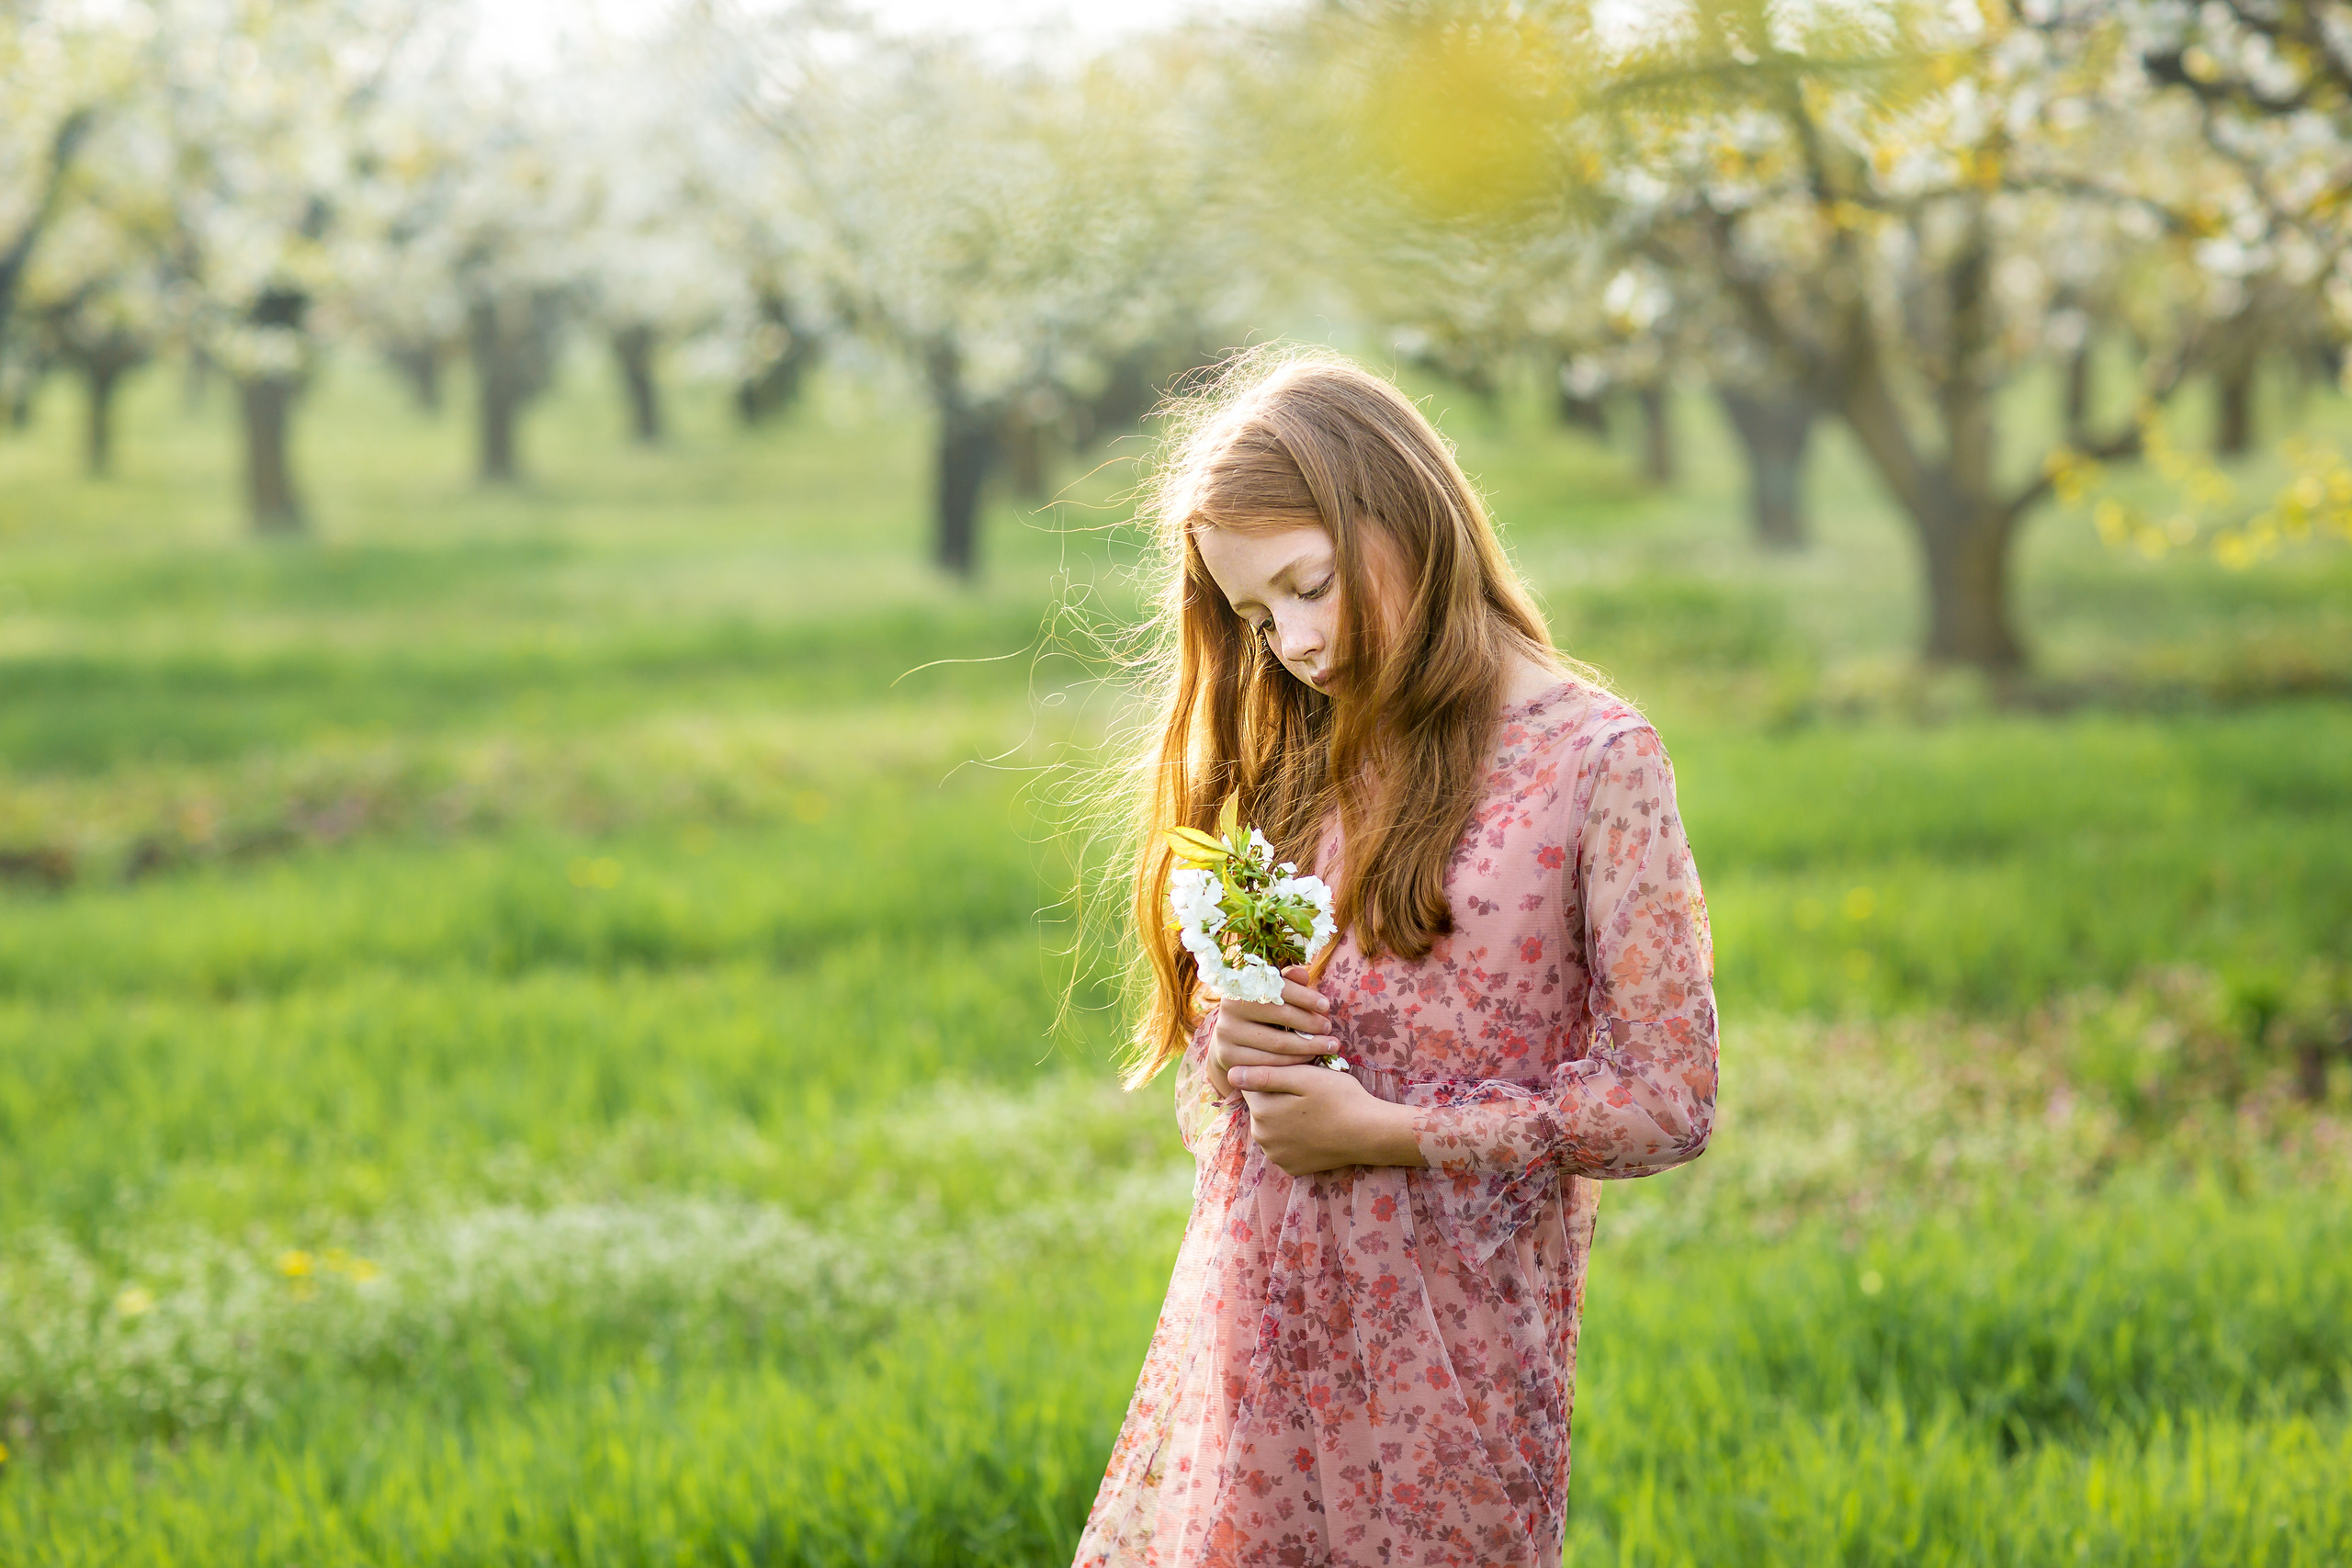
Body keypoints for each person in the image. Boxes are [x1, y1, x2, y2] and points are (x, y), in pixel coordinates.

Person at [1074, 347, 1719, 1568]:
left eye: (1310, 585)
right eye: (1259, 617)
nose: (1297, 643)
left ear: (1404, 510)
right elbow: (1254, 1075)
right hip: (1262, 1328)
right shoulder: (1306, 746)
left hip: (1455, 1361)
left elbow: (1670, 1102)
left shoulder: (1596, 762)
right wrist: (1239, 1045)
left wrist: (1388, 1131)